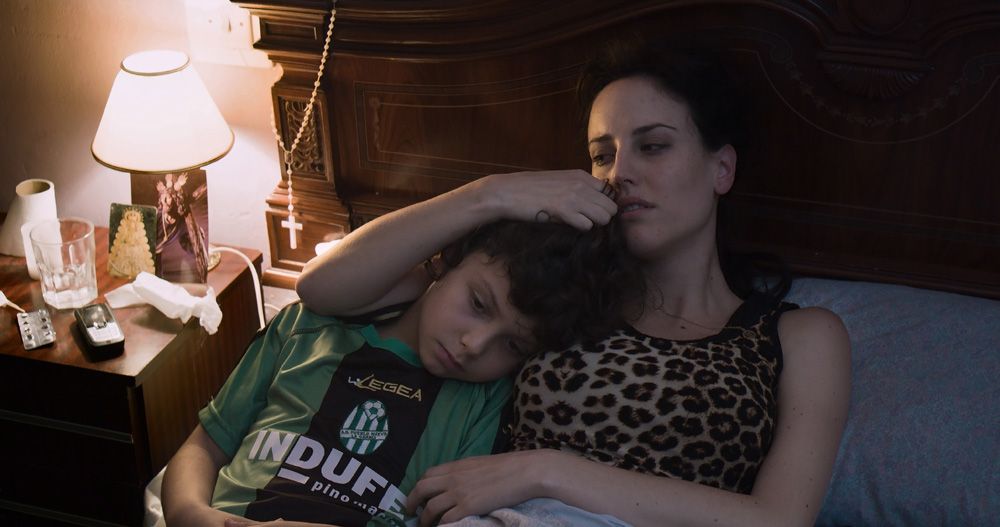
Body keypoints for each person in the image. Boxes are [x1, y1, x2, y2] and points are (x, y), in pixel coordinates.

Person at [295, 36, 851, 527]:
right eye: (602, 156)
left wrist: (546, 471)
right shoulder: (555, 292)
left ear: (721, 168)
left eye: (653, 146)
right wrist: (488, 194)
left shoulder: (797, 336)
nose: (619, 173)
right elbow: (322, 288)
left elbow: (779, 519)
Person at [161, 219, 640, 527]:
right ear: (444, 263)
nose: (474, 345)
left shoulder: (485, 401)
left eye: (511, 345)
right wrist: (190, 514)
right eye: (478, 304)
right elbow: (206, 444)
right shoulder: (306, 327)